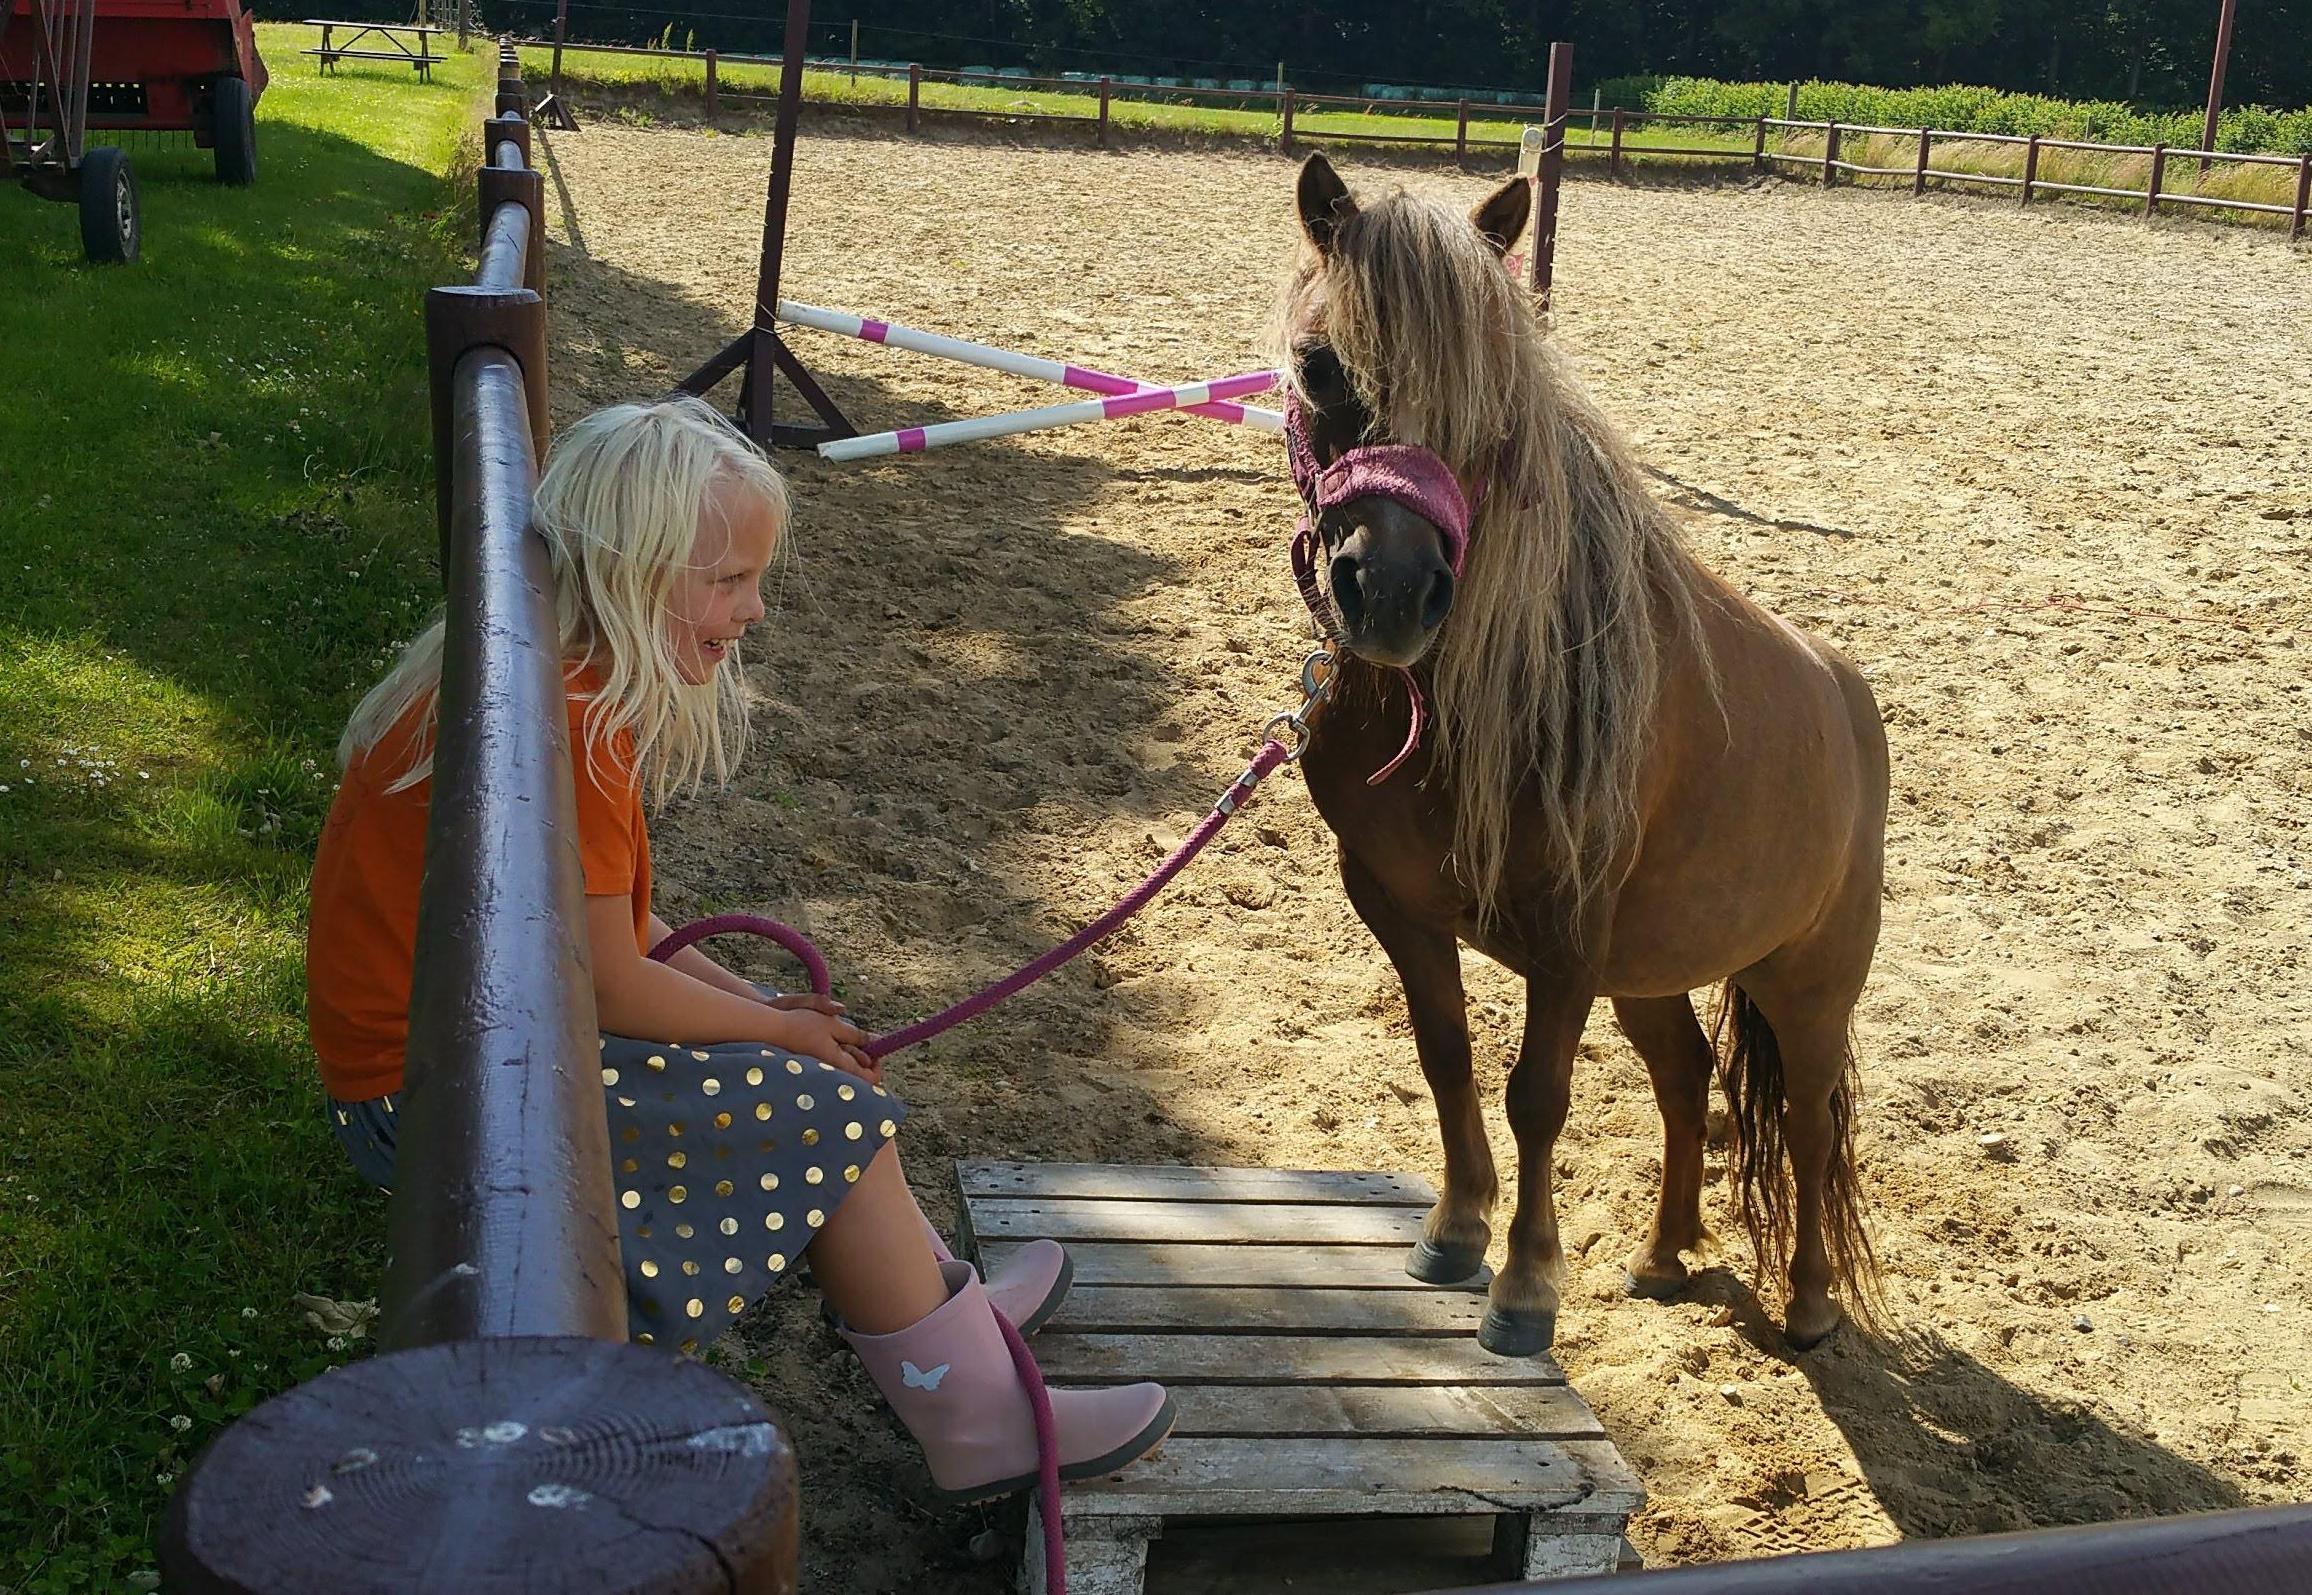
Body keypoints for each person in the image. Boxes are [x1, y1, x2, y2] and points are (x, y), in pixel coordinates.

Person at [304, 394, 1171, 1500]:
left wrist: (762, 1010)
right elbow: (610, 979)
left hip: (473, 1047)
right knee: (828, 1114)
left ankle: (936, 1311)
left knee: (813, 1071)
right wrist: (774, 1032)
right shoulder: (574, 716)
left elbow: (616, 935)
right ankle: (976, 1421)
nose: (753, 609)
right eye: (727, 580)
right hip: (442, 1100)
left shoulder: (550, 670)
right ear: (632, 571)